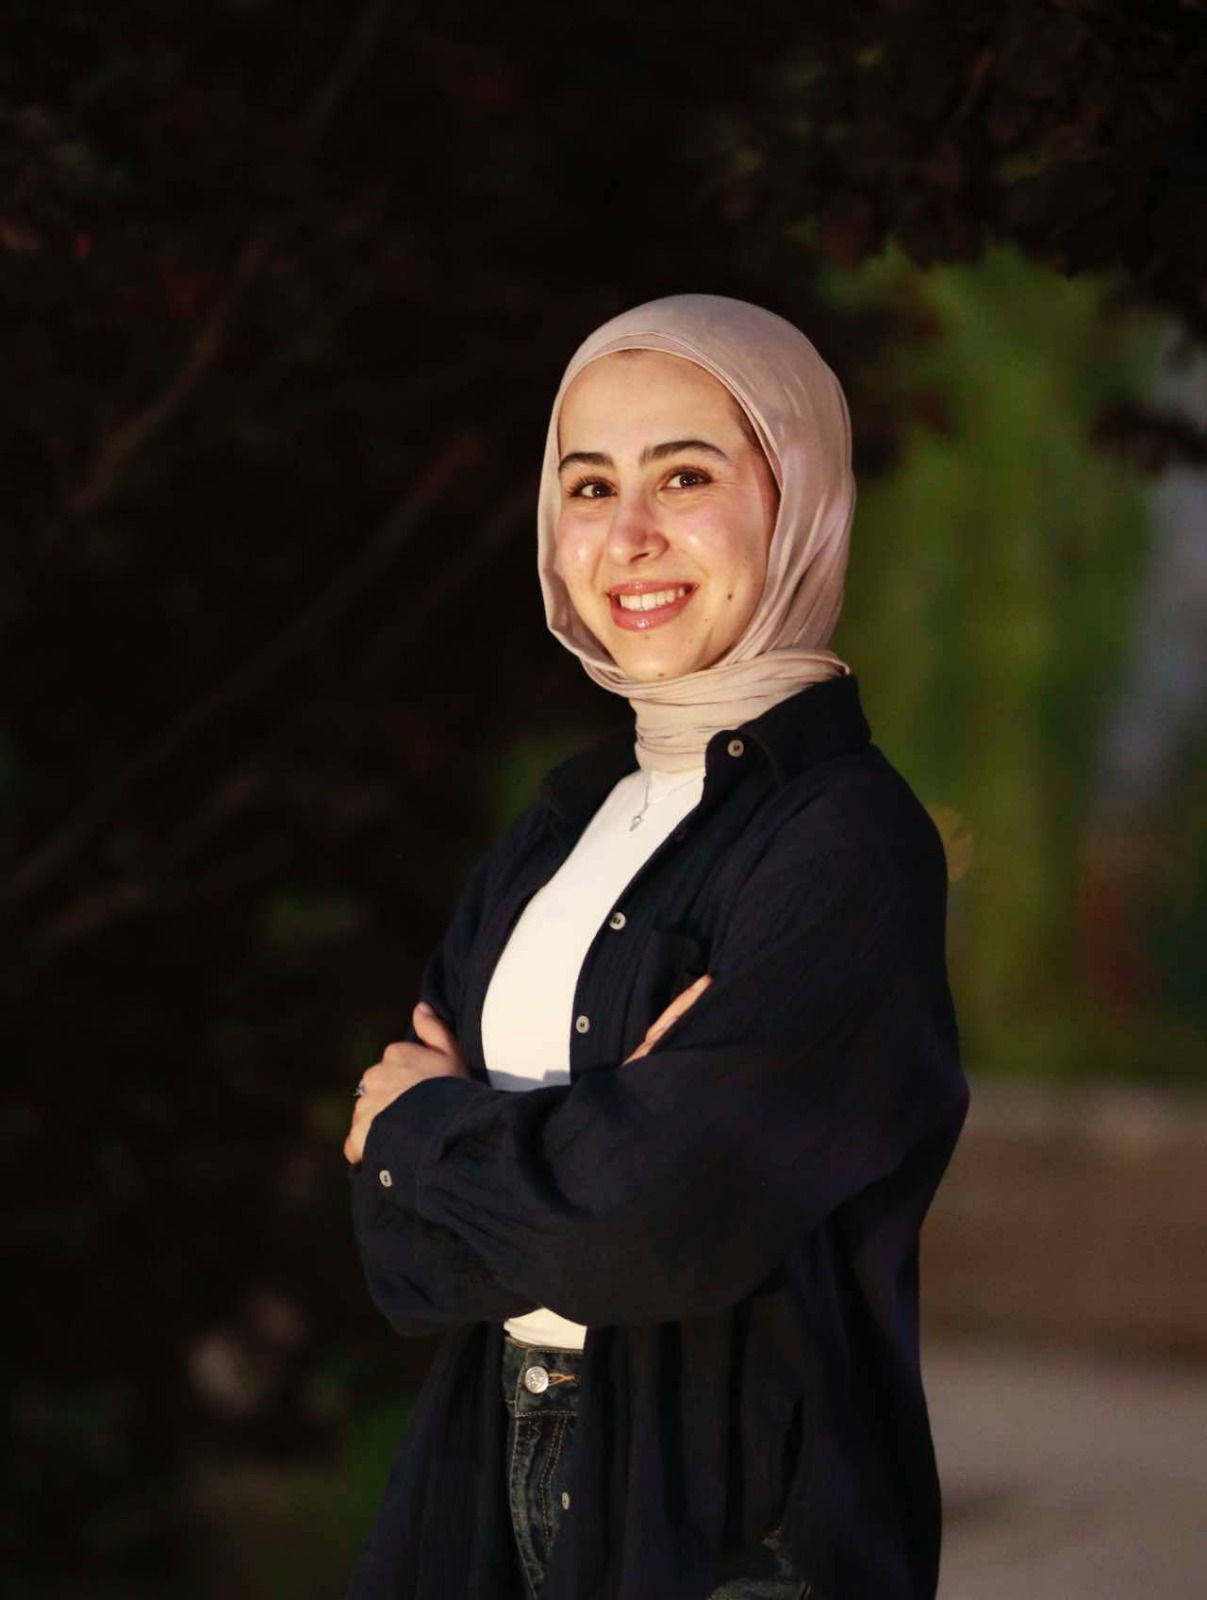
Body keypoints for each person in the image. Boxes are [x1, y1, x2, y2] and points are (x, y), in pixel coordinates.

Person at [343, 294, 969, 1600]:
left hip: (731, 1524)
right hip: (484, 1465)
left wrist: (427, 1128)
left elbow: (645, 1225)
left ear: (799, 496)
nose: (628, 535)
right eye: (589, 486)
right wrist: (584, 1145)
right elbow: (398, 1255)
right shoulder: (562, 827)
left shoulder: (848, 841)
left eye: (685, 475)